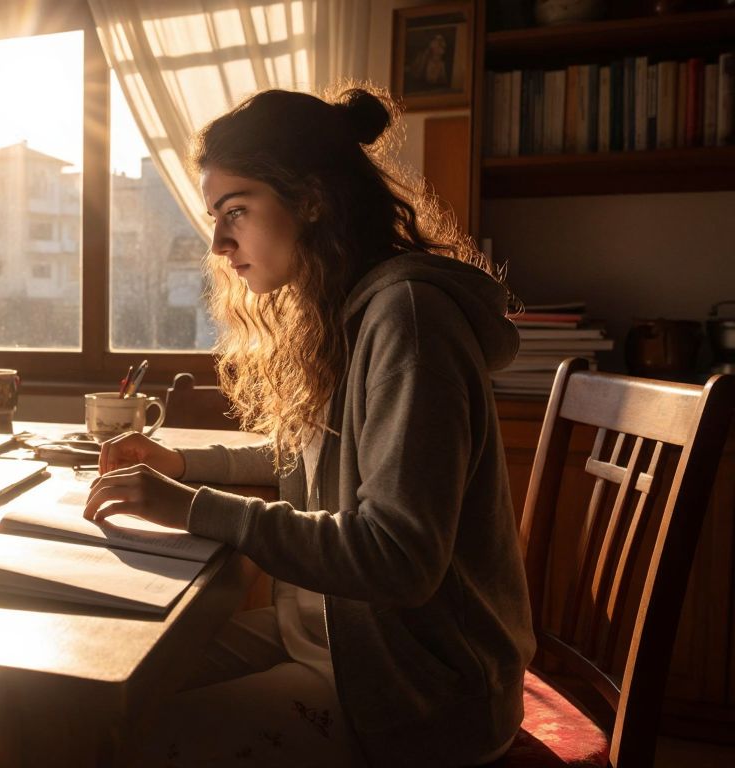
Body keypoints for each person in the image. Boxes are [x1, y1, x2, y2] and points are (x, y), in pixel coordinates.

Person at [83, 86, 535, 767]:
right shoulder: (347, 310)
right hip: (338, 640)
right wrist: (183, 465)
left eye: (236, 211)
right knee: (94, 695)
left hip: (419, 694)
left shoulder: (408, 321)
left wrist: (193, 508)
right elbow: (311, 457)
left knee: (124, 740)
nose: (218, 242)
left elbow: (398, 556)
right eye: (216, 215)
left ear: (313, 199)